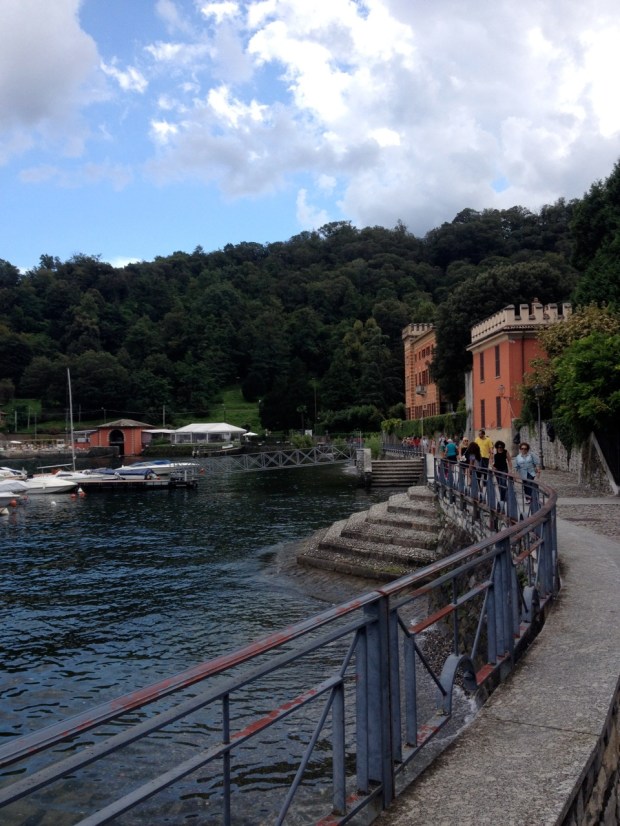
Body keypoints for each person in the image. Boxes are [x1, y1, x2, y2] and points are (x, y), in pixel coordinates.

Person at [491, 440, 512, 507]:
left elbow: (509, 460)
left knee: (503, 482)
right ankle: (504, 496)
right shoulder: (495, 452)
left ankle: (502, 498)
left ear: (503, 446)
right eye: (499, 447)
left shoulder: (505, 452)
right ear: (497, 447)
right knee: (499, 484)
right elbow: (490, 459)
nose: (500, 448)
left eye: (501, 447)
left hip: (504, 469)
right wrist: (492, 467)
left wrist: (510, 470)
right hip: (497, 469)